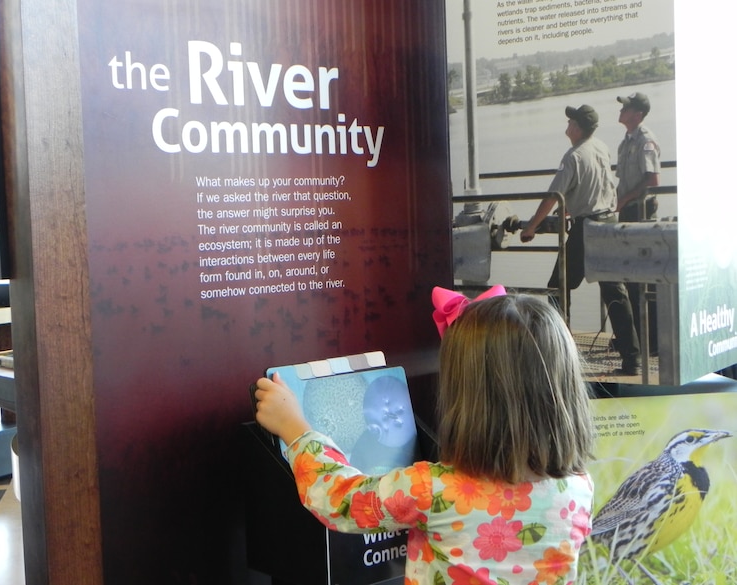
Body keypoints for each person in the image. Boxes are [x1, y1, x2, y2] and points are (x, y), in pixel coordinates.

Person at [254, 287, 595, 585]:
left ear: (468, 397)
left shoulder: (432, 490)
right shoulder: (578, 490)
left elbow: (339, 500)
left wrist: (296, 429)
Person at [520, 104, 641, 375]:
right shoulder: (600, 147)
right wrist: (569, 209)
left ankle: (561, 352)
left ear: (576, 127)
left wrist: (531, 227)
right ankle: (632, 359)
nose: (567, 124)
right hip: (608, 224)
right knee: (615, 292)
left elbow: (553, 195)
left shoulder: (573, 156)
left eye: (570, 121)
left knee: (557, 288)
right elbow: (593, 187)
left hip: (586, 228)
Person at [616, 92, 661, 355]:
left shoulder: (646, 140)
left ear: (638, 115)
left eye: (627, 108)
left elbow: (651, 180)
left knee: (644, 277)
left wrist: (624, 200)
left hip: (640, 212)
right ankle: (636, 337)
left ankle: (652, 340)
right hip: (628, 210)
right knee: (629, 276)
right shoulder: (627, 141)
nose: (621, 111)